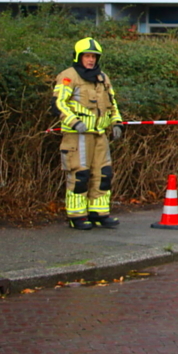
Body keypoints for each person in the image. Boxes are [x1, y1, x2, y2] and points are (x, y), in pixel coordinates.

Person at [53, 37, 124, 230]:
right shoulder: (68, 76)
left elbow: (112, 103)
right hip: (77, 136)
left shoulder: (103, 78)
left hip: (100, 135)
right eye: (87, 56)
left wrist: (117, 123)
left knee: (103, 174)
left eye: (94, 56)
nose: (91, 60)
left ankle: (99, 214)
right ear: (78, 57)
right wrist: (74, 122)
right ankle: (77, 217)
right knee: (80, 175)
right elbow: (58, 103)